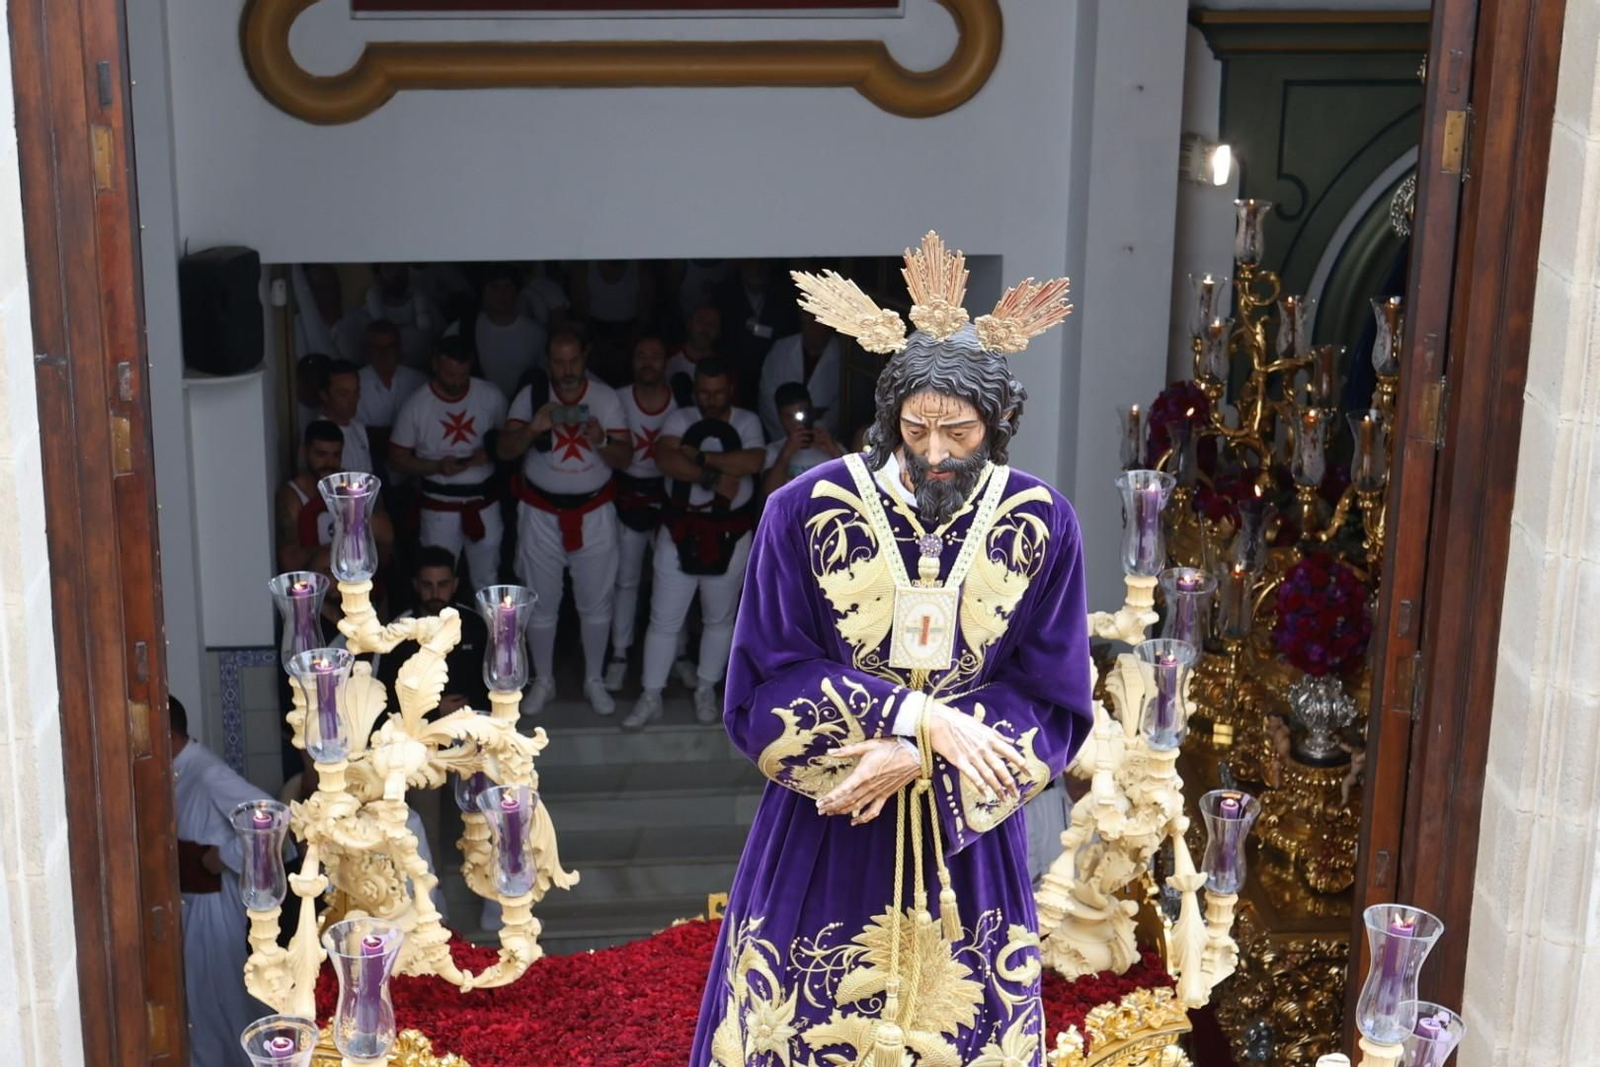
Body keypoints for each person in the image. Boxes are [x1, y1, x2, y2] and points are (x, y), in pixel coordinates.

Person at [690, 240, 1092, 1066]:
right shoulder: (802, 510)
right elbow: (765, 679)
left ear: (1001, 422)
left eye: (961, 429)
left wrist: (924, 751)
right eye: (917, 427)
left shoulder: (1045, 523)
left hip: (964, 851)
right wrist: (912, 714)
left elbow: (1053, 698)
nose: (937, 451)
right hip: (833, 817)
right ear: (888, 418)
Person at [623, 359, 765, 728]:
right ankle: (650, 694)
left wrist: (701, 458)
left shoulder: (746, 421)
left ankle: (706, 688)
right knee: (663, 620)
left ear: (729, 389)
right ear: (695, 389)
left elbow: (752, 461)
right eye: (705, 391)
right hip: (680, 527)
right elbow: (667, 459)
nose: (712, 399)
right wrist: (715, 476)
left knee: (719, 619)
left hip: (730, 532)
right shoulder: (679, 418)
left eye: (718, 392)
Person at [498, 330, 632, 717]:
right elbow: (504, 450)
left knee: (596, 602)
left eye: (573, 361)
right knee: (540, 604)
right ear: (548, 361)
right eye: (559, 362)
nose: (567, 370)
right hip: (541, 511)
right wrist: (533, 428)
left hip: (594, 512)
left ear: (585, 356)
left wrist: (602, 439)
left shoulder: (604, 398)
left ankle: (593, 679)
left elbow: (626, 457)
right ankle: (544, 680)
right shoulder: (532, 396)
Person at [169, 695, 274, 1067]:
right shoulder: (173, 770)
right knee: (198, 998)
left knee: (220, 991)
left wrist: (225, 854)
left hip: (212, 902)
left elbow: (270, 814)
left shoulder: (206, 771)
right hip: (186, 901)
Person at [388, 336, 508, 592]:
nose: (455, 381)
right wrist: (436, 467)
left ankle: (491, 632)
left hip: (483, 503)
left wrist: (490, 454)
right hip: (438, 507)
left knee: (487, 580)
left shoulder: (490, 396)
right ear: (435, 365)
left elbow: (508, 443)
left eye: (462, 374)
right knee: (435, 581)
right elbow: (397, 458)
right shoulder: (417, 405)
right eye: (449, 374)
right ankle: (438, 631)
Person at [605, 336, 678, 691]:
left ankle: (678, 655)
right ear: (632, 360)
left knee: (672, 580)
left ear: (666, 361)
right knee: (626, 580)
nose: (649, 362)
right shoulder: (617, 398)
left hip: (669, 497)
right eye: (642, 355)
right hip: (628, 494)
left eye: (656, 355)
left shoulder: (680, 402)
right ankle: (619, 653)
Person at [374, 546, 490, 716]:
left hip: (473, 725)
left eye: (443, 584)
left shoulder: (475, 624)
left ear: (454, 584)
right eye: (427, 585)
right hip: (416, 731)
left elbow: (491, 685)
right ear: (416, 585)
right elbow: (381, 699)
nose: (435, 593)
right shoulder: (398, 631)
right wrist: (434, 712)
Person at [275, 419, 396, 578]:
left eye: (336, 455)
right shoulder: (292, 495)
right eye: (321, 454)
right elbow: (289, 561)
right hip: (317, 584)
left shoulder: (355, 486)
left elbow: (387, 536)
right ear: (304, 452)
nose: (329, 462)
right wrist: (339, 549)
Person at [716, 259, 798, 410]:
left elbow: (789, 335)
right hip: (735, 380)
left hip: (775, 377)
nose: (757, 269)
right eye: (751, 262)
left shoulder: (784, 295)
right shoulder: (723, 295)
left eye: (762, 263)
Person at [337, 263, 441, 369]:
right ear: (378, 273)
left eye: (400, 267)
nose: (396, 273)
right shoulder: (362, 317)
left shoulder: (430, 311)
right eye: (389, 267)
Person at [757, 311, 841, 440]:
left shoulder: (843, 356)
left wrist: (816, 430)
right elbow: (766, 396)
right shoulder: (781, 348)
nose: (813, 327)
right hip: (781, 438)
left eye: (818, 322)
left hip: (825, 441)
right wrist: (787, 432)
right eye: (808, 320)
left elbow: (841, 404)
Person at [475, 264, 549, 403]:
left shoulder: (535, 333)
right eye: (495, 287)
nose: (502, 294)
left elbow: (545, 375)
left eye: (508, 287)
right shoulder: (467, 327)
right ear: (484, 292)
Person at [355, 319, 427, 460]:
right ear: (367, 351)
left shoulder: (419, 381)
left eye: (389, 347)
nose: (383, 353)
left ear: (399, 349)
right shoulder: (354, 382)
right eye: (376, 348)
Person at [760, 380, 844, 497]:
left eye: (802, 414)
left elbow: (856, 485)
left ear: (812, 412)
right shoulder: (773, 450)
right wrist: (786, 454)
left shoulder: (831, 445)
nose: (797, 423)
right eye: (790, 417)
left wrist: (833, 450)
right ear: (780, 419)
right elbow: (769, 493)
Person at [317, 358, 374, 474]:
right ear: (324, 395)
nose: (353, 400)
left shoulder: (359, 428)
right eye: (344, 394)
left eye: (355, 392)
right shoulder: (318, 434)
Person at [667, 303, 723, 408]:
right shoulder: (665, 357)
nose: (705, 328)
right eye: (700, 321)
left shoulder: (725, 369)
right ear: (689, 324)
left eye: (712, 324)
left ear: (719, 331)